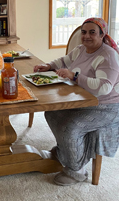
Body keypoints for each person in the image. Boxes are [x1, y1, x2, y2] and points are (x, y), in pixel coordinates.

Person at [34, 18, 119, 186]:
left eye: (92, 32)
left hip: (107, 106)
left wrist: (75, 76)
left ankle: (76, 171)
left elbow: (104, 87)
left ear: (102, 35)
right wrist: (49, 65)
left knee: (70, 126)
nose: (86, 36)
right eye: (84, 32)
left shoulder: (108, 56)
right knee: (52, 112)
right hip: (84, 99)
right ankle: (64, 152)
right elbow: (64, 61)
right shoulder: (81, 49)